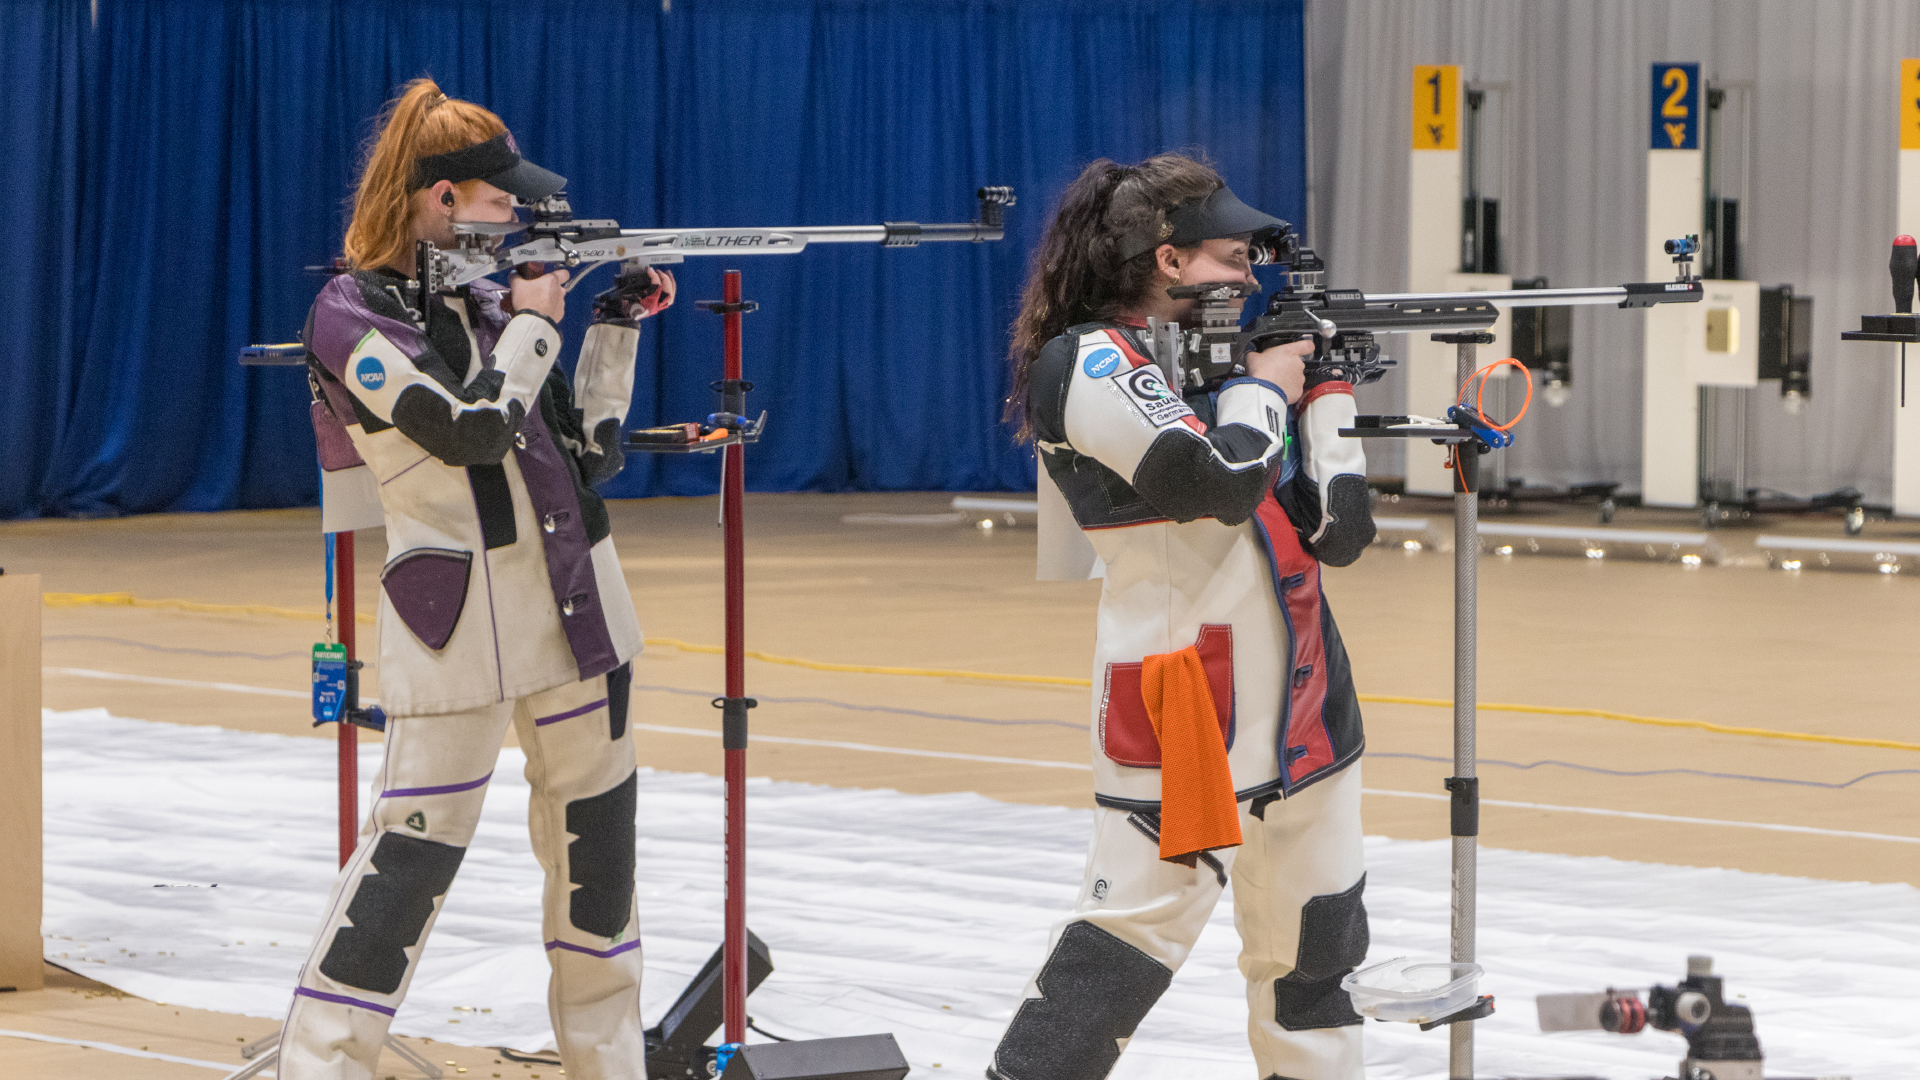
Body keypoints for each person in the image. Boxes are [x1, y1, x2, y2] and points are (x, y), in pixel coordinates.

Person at [280, 78, 674, 1080]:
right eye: (500, 198)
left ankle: (611, 1066)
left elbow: (591, 447)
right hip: (456, 627)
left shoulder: (489, 297)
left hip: (579, 609)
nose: (519, 215)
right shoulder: (348, 313)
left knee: (600, 866)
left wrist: (616, 322)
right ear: (440, 198)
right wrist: (537, 324)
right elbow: (469, 430)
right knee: (407, 865)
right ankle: (319, 1065)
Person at [989, 153, 1376, 1080]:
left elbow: (1342, 532)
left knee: (1317, 966)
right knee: (1115, 964)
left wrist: (1325, 400)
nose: (1249, 280)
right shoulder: (1088, 360)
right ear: (1168, 262)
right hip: (1185, 713)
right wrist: (1267, 384)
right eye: (1234, 259)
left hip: (1308, 716)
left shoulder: (1217, 374)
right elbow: (1214, 481)